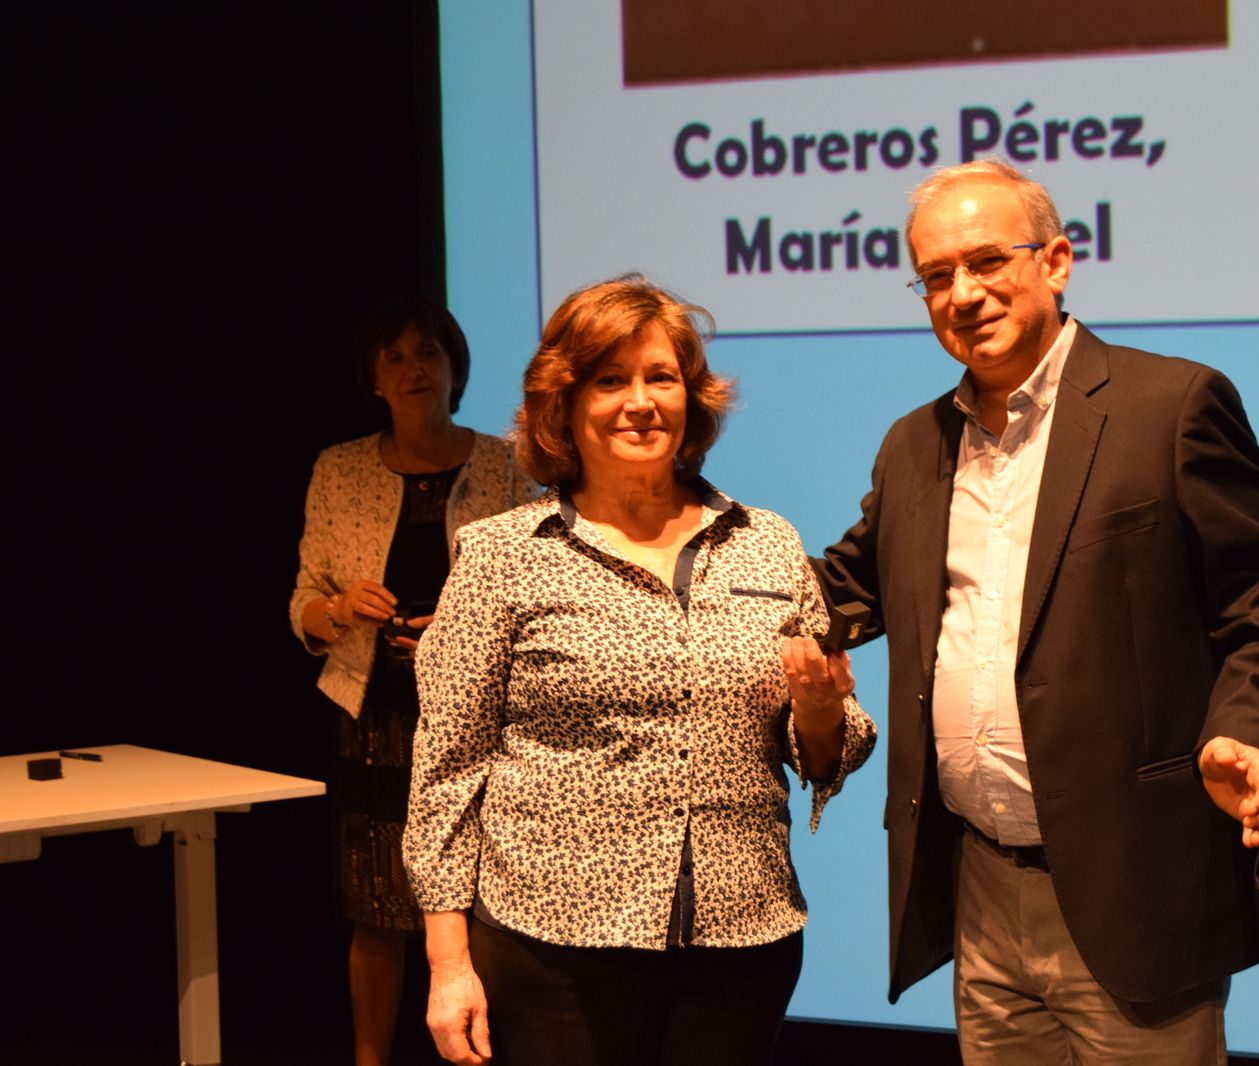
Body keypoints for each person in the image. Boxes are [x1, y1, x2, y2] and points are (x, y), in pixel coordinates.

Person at [814, 159, 1259, 1063]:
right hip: (979, 886)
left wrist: (1248, 727)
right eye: (936, 276)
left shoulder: (1171, 405)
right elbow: (846, 590)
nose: (962, 294)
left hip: (1134, 888)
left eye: (985, 262)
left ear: (1055, 260)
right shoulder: (911, 445)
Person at [403, 275, 876, 1066]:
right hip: (553, 949)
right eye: (610, 380)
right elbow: (446, 769)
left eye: (662, 378)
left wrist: (822, 715)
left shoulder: (765, 541)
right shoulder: (502, 557)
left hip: (742, 941)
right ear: (565, 402)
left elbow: (828, 748)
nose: (640, 401)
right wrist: (449, 964)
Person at [290, 296, 537, 1066]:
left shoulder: (507, 465)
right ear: (373, 378)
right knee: (378, 911)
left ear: (453, 366)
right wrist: (338, 608)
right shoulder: (340, 467)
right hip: (374, 716)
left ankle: (480, 1051)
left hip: (480, 722)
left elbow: (539, 583)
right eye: (393, 358)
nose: (412, 369)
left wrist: (462, 627)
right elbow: (303, 604)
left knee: (481, 909)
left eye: (427, 353)